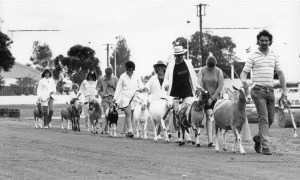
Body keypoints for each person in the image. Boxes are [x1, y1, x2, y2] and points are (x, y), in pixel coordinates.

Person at [240, 30, 287, 155]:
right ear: (258, 41)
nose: (264, 42)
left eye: (266, 40)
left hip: (270, 90)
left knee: (271, 119)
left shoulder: (274, 55)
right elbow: (244, 72)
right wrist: (244, 81)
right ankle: (265, 145)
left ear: (270, 41)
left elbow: (281, 74)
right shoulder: (253, 56)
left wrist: (285, 91)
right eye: (262, 40)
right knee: (263, 117)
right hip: (257, 90)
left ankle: (258, 138)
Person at [163, 45, 202, 142]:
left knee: (187, 112)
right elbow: (166, 79)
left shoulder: (188, 63)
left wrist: (197, 87)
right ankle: (180, 135)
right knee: (177, 113)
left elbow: (193, 76)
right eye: (178, 55)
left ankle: (187, 134)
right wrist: (166, 85)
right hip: (174, 92)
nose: (180, 57)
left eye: (181, 55)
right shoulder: (171, 66)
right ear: (175, 56)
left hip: (187, 91)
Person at [112, 61, 146, 138]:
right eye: (127, 70)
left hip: (134, 97)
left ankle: (131, 130)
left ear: (133, 69)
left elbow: (140, 86)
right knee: (128, 113)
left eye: (130, 70)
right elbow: (118, 88)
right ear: (126, 69)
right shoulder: (122, 77)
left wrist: (143, 89)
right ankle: (130, 130)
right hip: (125, 97)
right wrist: (115, 98)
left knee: (133, 114)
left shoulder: (136, 76)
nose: (129, 71)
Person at [197, 55, 224, 147]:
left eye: (212, 67)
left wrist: (212, 98)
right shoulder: (202, 70)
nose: (211, 69)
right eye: (209, 67)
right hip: (204, 96)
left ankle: (210, 140)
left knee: (210, 117)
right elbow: (198, 83)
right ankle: (199, 139)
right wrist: (202, 92)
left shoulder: (218, 71)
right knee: (206, 116)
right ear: (206, 64)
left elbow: (220, 86)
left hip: (215, 98)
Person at [145, 60, 168, 138]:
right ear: (156, 69)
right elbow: (147, 87)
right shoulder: (152, 79)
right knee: (156, 118)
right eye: (159, 68)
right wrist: (142, 90)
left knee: (166, 117)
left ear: (164, 68)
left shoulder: (168, 78)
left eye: (162, 67)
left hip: (165, 101)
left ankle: (167, 132)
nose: (160, 69)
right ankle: (157, 133)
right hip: (155, 101)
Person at [97, 67, 118, 134]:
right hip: (105, 98)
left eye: (110, 74)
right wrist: (101, 94)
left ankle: (112, 127)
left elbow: (118, 89)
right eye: (107, 74)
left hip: (113, 98)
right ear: (105, 73)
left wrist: (113, 87)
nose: (109, 76)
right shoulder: (101, 79)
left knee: (113, 113)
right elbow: (98, 89)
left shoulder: (115, 79)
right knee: (107, 113)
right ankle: (106, 126)